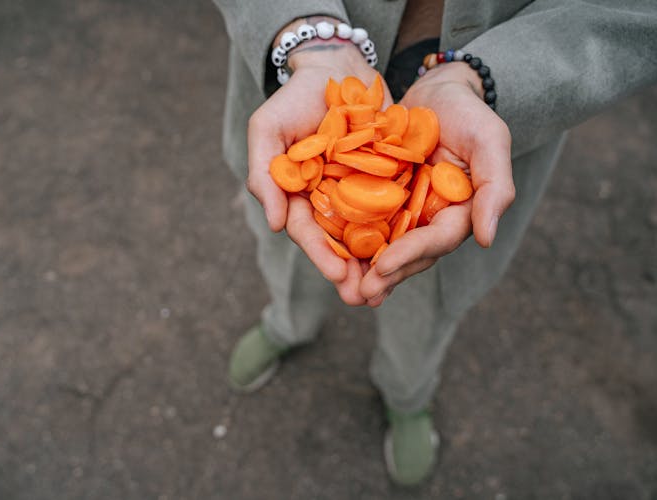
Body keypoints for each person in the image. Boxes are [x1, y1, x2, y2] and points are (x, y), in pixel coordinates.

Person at [212, 0, 657, 486]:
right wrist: (307, 35)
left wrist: (485, 77)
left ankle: (406, 395)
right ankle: (288, 323)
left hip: (473, 108)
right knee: (289, 242)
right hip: (304, 77)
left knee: (428, 295)